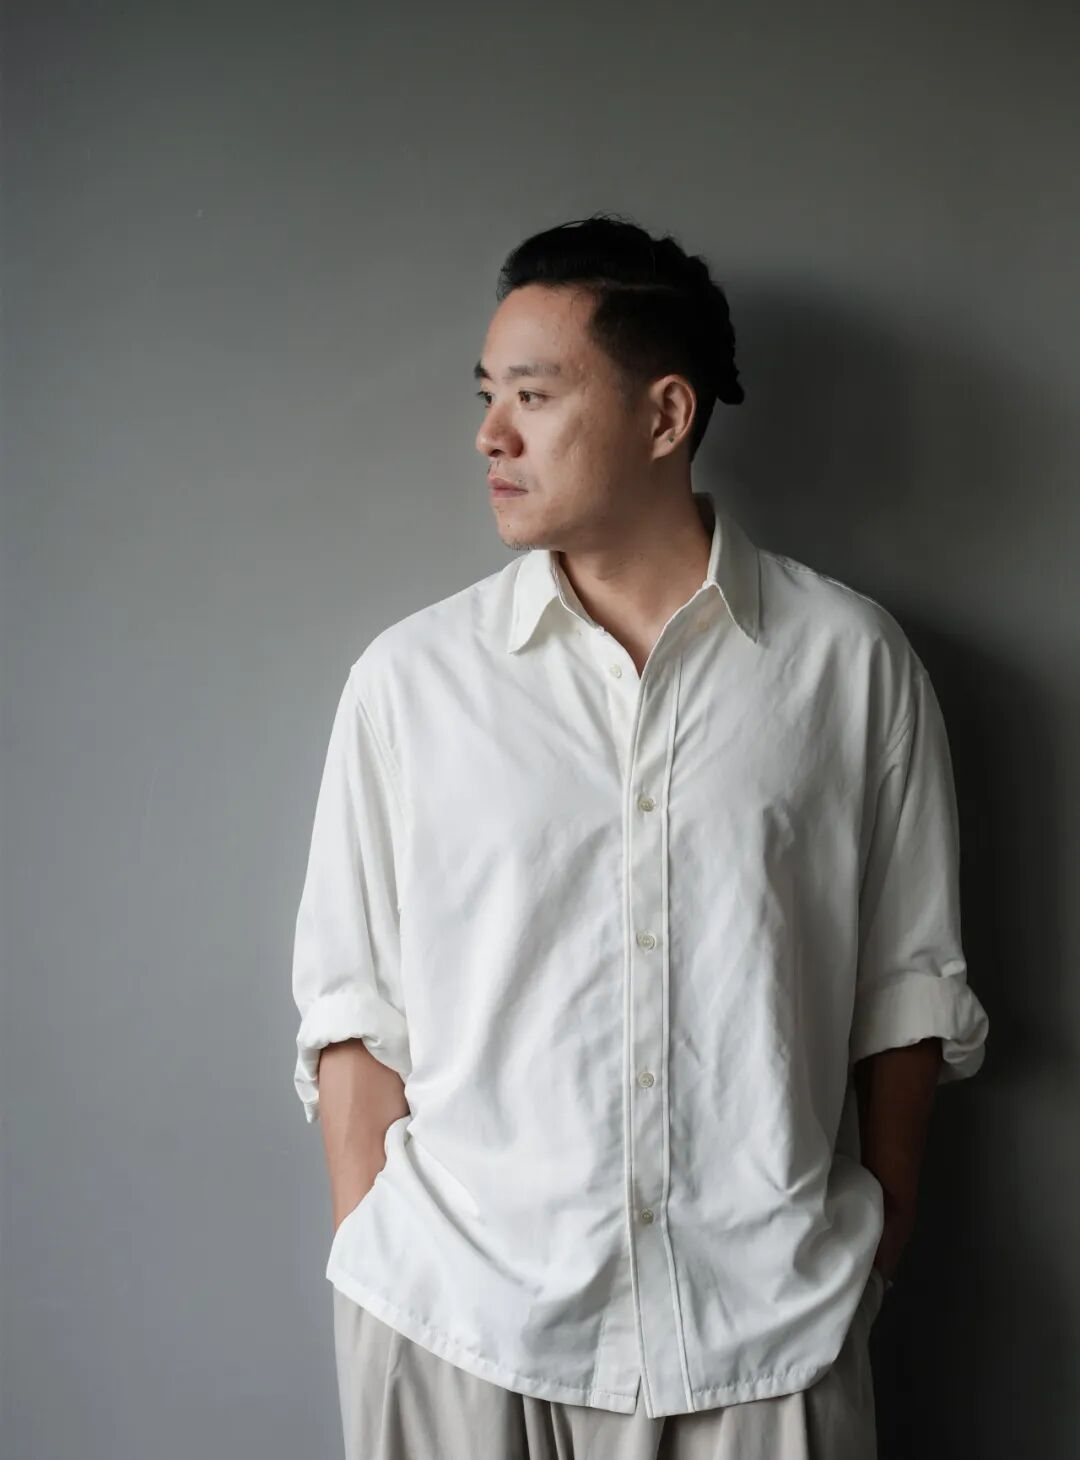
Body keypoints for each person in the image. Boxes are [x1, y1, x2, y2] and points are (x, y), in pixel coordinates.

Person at [290, 213, 990, 1460]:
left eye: (534, 395)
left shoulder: (850, 665)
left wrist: (871, 1251)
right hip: (458, 1328)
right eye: (487, 395)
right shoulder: (410, 682)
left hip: (763, 1332)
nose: (490, 434)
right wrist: (370, 1240)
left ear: (665, 415)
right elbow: (352, 1009)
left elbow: (908, 989)